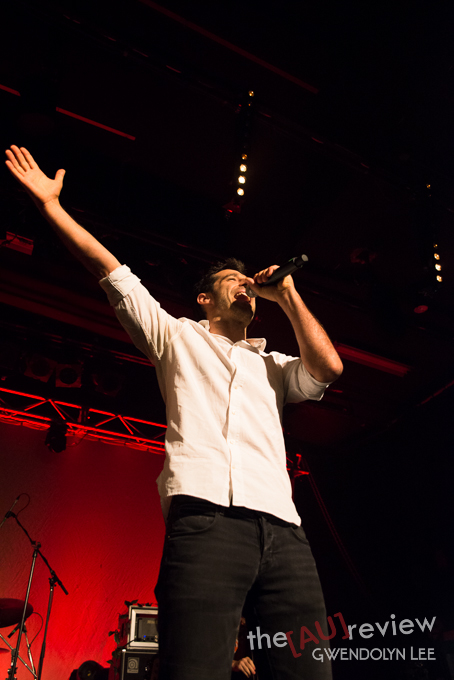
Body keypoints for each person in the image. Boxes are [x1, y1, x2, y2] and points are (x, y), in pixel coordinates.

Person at [5, 145, 343, 680]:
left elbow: (328, 369)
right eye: (231, 280)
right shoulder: (176, 337)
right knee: (196, 668)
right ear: (205, 299)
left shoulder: (274, 365)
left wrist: (288, 295)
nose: (245, 286)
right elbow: (110, 270)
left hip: (285, 530)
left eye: (248, 282)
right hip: (207, 520)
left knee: (309, 671)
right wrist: (51, 207)